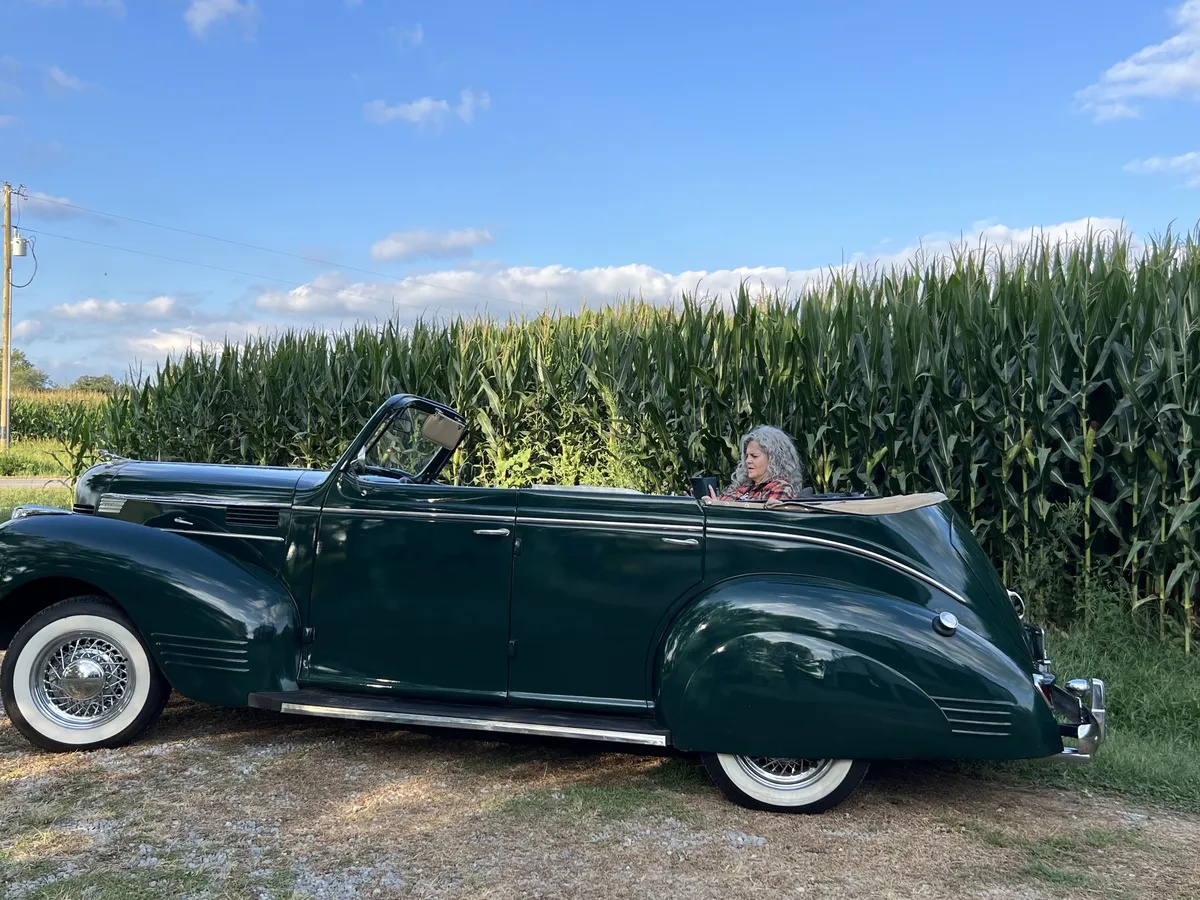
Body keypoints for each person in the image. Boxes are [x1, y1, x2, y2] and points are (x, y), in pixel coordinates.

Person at [707, 425, 804, 502]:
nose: (747, 460)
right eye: (747, 456)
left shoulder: (781, 488)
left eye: (754, 456)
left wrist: (720, 508)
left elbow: (763, 519)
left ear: (773, 459)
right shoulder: (742, 487)